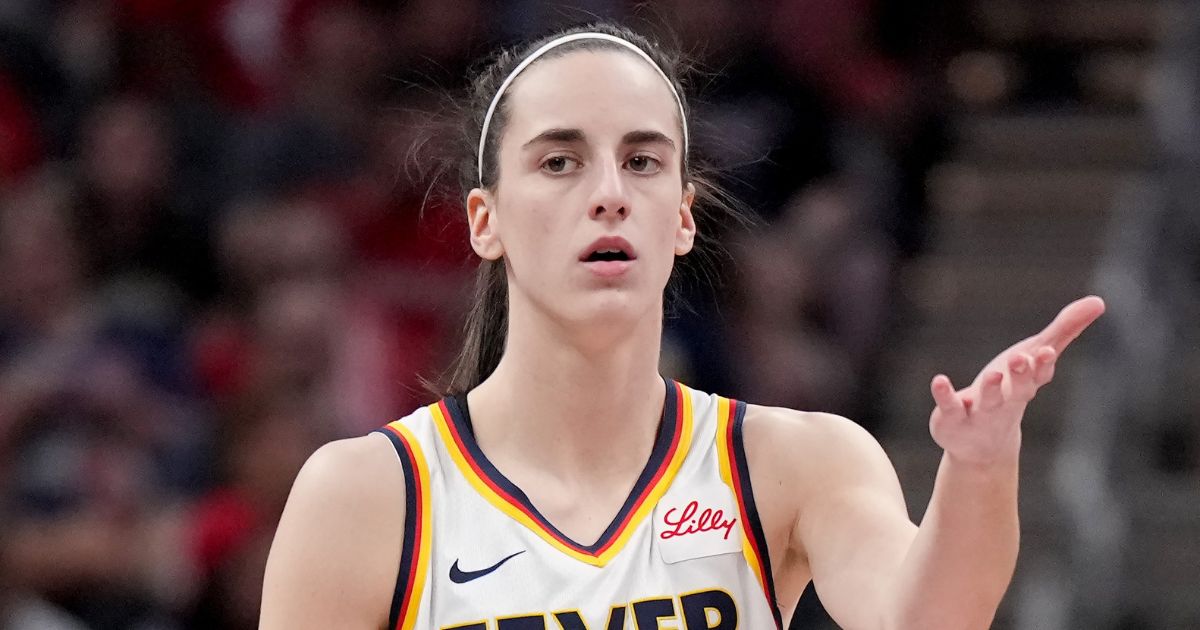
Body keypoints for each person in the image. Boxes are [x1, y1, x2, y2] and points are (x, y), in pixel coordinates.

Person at [259, 22, 1105, 629]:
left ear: (683, 217)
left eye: (642, 160)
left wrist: (981, 468)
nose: (609, 192)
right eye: (559, 161)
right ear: (484, 220)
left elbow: (931, 621)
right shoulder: (368, 496)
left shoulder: (794, 462)